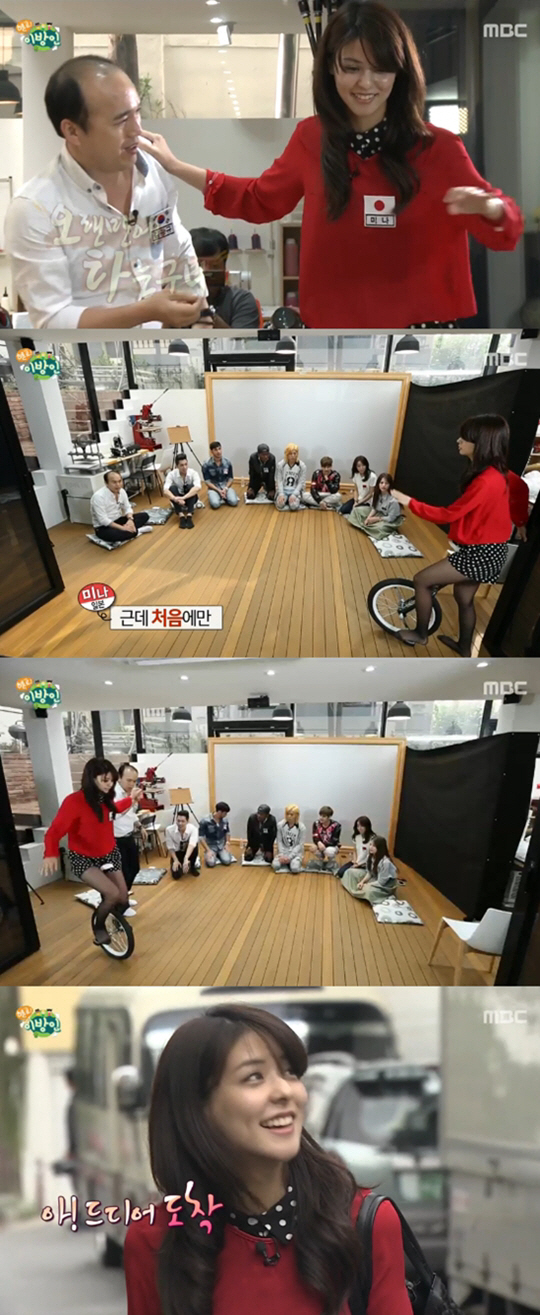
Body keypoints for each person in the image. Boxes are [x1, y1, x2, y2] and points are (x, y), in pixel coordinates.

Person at [136, 1, 522, 331]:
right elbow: (258, 199)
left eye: (381, 69)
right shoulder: (312, 137)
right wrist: (174, 166)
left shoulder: (438, 147)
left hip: (422, 337)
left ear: (400, 72)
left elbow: (505, 231)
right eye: (351, 67)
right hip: (334, 336)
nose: (366, 83)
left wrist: (490, 206)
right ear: (331, 70)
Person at [123, 1004, 413, 1315]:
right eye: (254, 1077)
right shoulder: (155, 1240)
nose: (285, 1091)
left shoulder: (362, 1223)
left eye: (290, 1072)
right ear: (197, 1109)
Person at [4, 56, 209, 331]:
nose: (136, 130)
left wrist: (201, 314)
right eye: (121, 120)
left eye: (137, 112)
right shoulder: (36, 208)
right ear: (72, 131)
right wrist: (144, 312)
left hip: (161, 351)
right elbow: (53, 320)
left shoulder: (153, 175)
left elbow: (176, 247)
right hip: (84, 358)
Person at [392, 414, 529, 655]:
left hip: (480, 553)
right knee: (463, 598)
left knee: (422, 580)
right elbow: (520, 488)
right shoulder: (500, 474)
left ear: (481, 443)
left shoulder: (486, 480)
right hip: (491, 551)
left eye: (464, 438)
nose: (458, 441)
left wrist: (409, 502)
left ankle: (420, 634)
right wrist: (520, 522)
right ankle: (464, 647)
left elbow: (448, 515)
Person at [41, 758, 142, 945]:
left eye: (112, 780)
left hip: (109, 852)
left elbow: (115, 809)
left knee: (123, 898)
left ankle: (112, 914)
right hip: (84, 858)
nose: (109, 784)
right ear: (92, 778)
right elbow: (54, 832)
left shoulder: (105, 798)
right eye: (105, 780)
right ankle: (99, 926)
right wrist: (50, 853)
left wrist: (131, 799)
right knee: (112, 894)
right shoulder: (74, 802)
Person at [190, 227, 260, 328]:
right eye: (198, 265)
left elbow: (242, 338)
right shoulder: (172, 300)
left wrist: (206, 312)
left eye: (215, 265)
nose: (206, 271)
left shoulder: (240, 300)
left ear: (224, 267)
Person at [113, 761, 147, 916]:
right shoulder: (113, 794)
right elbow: (115, 814)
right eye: (128, 780)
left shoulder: (130, 793)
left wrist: (139, 826)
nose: (131, 784)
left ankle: (124, 896)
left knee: (134, 868)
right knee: (123, 873)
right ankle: (121, 905)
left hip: (128, 836)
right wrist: (131, 800)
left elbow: (131, 814)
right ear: (119, 778)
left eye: (134, 781)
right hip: (116, 839)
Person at [90, 470, 153, 544]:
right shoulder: (98, 497)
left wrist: (130, 520)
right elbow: (103, 520)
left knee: (144, 515)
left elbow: (127, 507)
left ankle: (130, 530)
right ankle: (137, 531)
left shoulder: (122, 491)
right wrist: (123, 528)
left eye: (120, 481)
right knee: (115, 535)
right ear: (106, 483)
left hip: (118, 520)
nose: (118, 485)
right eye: (114, 482)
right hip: (103, 527)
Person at [346, 472, 403, 538]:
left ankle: (367, 527)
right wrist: (368, 518)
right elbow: (374, 508)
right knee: (356, 510)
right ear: (378, 484)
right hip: (379, 513)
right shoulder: (377, 494)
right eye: (381, 483)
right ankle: (367, 527)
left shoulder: (394, 501)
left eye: (386, 483)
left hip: (388, 519)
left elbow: (391, 518)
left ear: (390, 485)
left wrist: (376, 519)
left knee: (380, 528)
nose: (383, 485)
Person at [351, 836, 399, 905]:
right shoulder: (370, 856)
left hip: (385, 885)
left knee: (369, 891)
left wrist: (366, 884)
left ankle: (380, 896)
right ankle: (359, 891)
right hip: (375, 878)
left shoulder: (385, 862)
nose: (370, 847)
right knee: (350, 872)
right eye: (370, 844)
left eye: (374, 846)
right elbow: (369, 873)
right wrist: (362, 882)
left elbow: (381, 882)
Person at [163, 453, 201, 529]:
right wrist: (175, 498)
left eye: (186, 464)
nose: (184, 467)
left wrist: (183, 498)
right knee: (172, 488)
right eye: (181, 465)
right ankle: (181, 515)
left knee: (192, 487)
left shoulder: (193, 473)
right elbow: (165, 490)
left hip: (189, 498)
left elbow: (198, 487)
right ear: (177, 466)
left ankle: (189, 515)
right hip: (178, 499)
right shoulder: (171, 474)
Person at [337, 816, 375, 888]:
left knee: (348, 874)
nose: (359, 828)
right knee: (340, 873)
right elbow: (355, 850)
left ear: (367, 826)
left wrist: (360, 864)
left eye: (362, 826)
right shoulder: (357, 837)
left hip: (366, 864)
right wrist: (355, 861)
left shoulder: (373, 838)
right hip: (357, 862)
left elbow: (373, 857)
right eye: (358, 826)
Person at [202, 442, 239, 510]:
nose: (218, 452)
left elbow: (230, 478)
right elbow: (207, 481)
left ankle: (223, 496)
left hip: (225, 487)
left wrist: (225, 489)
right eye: (215, 450)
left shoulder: (227, 462)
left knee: (234, 502)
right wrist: (218, 490)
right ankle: (220, 496)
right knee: (215, 504)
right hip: (214, 488)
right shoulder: (206, 464)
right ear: (211, 451)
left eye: (219, 449)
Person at [165, 809, 200, 878]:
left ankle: (192, 865)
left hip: (188, 851)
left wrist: (186, 858)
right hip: (177, 852)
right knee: (176, 875)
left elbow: (192, 844)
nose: (180, 823)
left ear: (187, 821)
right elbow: (170, 847)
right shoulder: (169, 830)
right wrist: (175, 860)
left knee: (195, 846)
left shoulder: (193, 829)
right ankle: (181, 863)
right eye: (178, 821)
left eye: (183, 821)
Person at [199, 803, 235, 868]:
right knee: (211, 863)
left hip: (221, 845)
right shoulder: (205, 821)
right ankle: (210, 854)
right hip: (211, 846)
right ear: (219, 812)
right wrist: (208, 850)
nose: (226, 815)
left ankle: (219, 854)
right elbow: (201, 837)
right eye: (225, 813)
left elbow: (227, 832)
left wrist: (227, 843)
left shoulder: (225, 821)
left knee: (227, 861)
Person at [272, 806, 306, 874]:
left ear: (296, 815)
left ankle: (293, 862)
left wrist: (290, 857)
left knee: (295, 869)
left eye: (291, 814)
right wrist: (281, 854)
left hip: (295, 853)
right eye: (287, 814)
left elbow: (300, 844)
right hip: (283, 851)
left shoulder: (302, 828)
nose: (289, 816)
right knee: (275, 866)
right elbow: (279, 841)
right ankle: (286, 862)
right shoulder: (280, 825)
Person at [310, 806, 342, 872]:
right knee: (312, 848)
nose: (321, 818)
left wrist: (324, 846)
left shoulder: (336, 825)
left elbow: (335, 840)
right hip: (320, 845)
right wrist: (319, 843)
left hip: (332, 846)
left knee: (328, 851)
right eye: (320, 815)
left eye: (324, 816)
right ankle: (321, 859)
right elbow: (315, 836)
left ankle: (331, 861)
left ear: (329, 817)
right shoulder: (316, 823)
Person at [275, 445, 307, 511]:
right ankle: (285, 500)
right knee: (280, 504)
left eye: (294, 453)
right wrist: (281, 493)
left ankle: (292, 501)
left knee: (293, 506)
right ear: (286, 454)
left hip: (295, 490)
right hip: (284, 490)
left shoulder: (302, 466)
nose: (293, 456)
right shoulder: (281, 465)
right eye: (290, 454)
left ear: (297, 454)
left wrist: (294, 494)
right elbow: (279, 480)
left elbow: (301, 482)